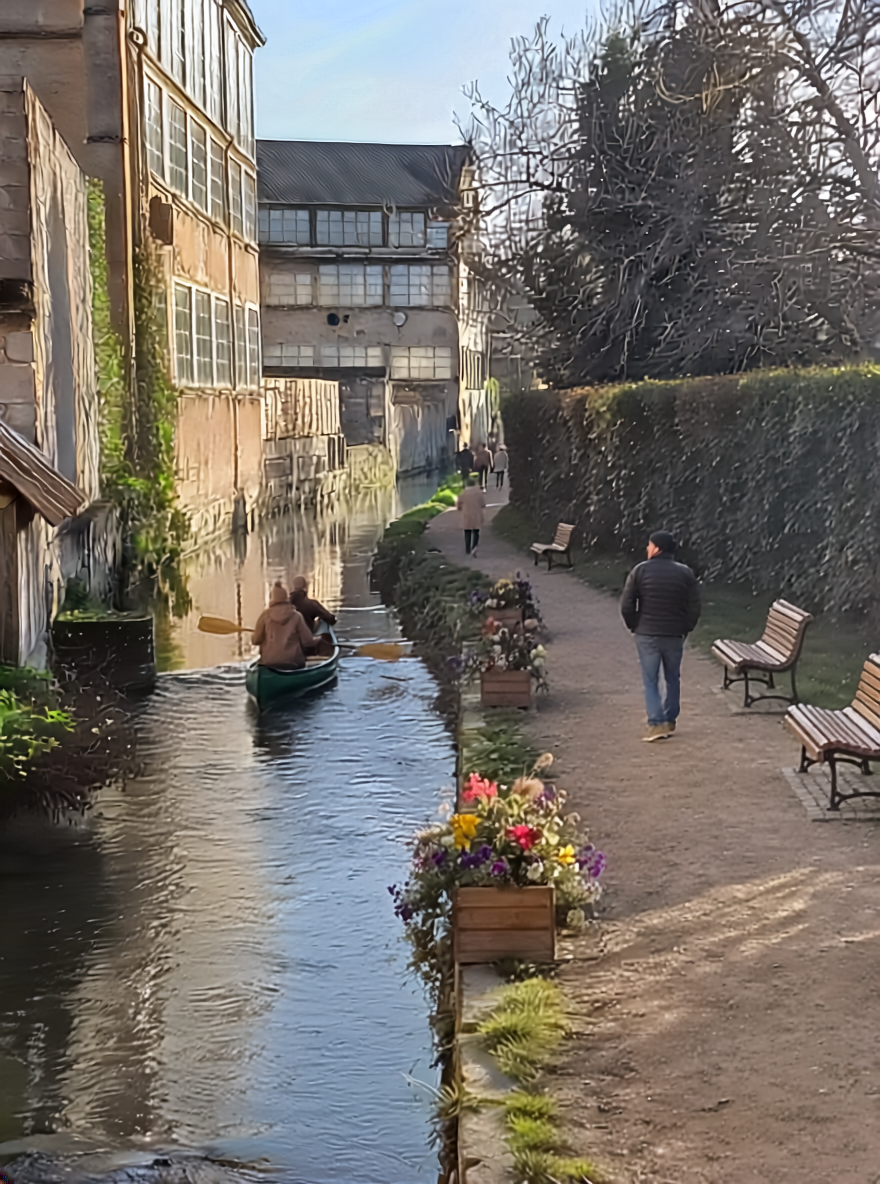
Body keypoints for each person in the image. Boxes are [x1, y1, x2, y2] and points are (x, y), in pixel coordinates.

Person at [619, 530, 701, 742]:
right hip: (674, 633)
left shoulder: (640, 571)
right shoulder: (685, 573)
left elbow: (627, 604)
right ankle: (670, 718)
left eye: (649, 545)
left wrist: (634, 625)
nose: (647, 548)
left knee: (651, 680)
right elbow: (694, 606)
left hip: (647, 633)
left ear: (656, 548)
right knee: (673, 677)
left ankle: (656, 723)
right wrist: (686, 627)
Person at [251, 582, 316, 669]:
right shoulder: (297, 616)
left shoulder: (265, 616)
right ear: (286, 597)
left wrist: (255, 635)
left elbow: (255, 641)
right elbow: (308, 642)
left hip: (268, 663)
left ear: (272, 597)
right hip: (293, 663)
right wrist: (318, 641)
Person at [456, 477, 485, 557]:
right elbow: (483, 504)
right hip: (476, 514)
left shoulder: (462, 494)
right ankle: (474, 546)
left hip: (466, 514)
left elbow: (458, 505)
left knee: (467, 532)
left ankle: (467, 548)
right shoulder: (479, 493)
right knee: (476, 531)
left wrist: (460, 508)